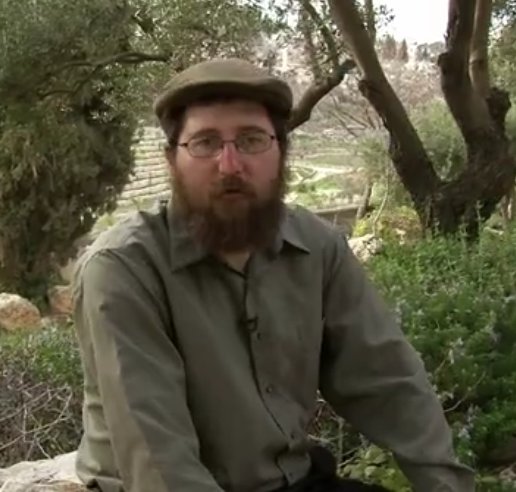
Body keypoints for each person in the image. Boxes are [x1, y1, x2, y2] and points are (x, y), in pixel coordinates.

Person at [72, 58, 476, 492]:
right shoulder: (123, 269)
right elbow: (158, 462)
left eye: (251, 140)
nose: (230, 165)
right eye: (205, 143)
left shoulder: (318, 247)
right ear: (171, 159)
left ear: (282, 150)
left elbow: (389, 383)